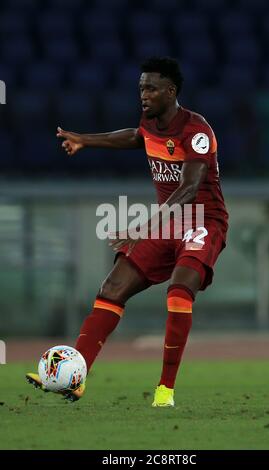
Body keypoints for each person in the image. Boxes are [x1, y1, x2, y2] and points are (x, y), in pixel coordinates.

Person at [26, 57, 228, 407]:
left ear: (171, 91)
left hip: (202, 220)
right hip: (168, 222)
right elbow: (136, 137)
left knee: (179, 292)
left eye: (150, 88)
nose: (143, 94)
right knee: (112, 287)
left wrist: (145, 226)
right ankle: (76, 376)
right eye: (140, 88)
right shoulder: (149, 123)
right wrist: (85, 140)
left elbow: (189, 189)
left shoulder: (195, 132)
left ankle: (165, 390)